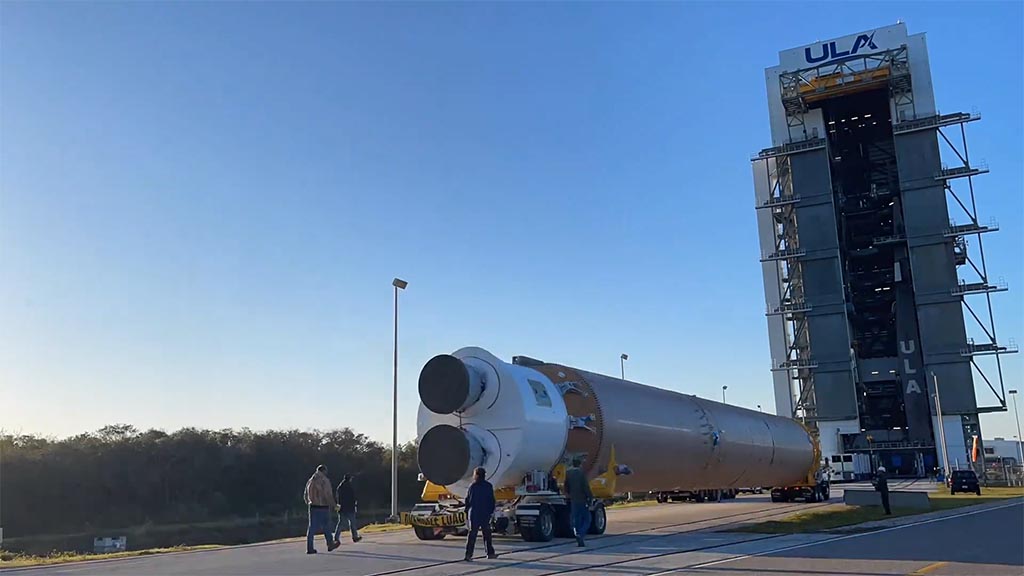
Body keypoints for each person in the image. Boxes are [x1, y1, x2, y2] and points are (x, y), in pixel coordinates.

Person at [304, 464, 339, 554]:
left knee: (312, 527)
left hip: (312, 506)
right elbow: (328, 494)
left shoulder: (310, 480)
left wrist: (308, 502)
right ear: (324, 471)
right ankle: (330, 543)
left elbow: (305, 494)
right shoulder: (324, 480)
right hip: (323, 506)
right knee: (326, 525)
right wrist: (333, 505)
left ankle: (309, 547)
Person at [464, 466, 497, 561]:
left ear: (476, 475)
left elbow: (468, 500)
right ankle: (490, 553)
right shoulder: (488, 486)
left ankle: (468, 555)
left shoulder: (472, 486)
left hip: (474, 513)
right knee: (487, 534)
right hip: (485, 513)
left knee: (472, 535)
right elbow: (491, 501)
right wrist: (491, 512)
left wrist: (466, 512)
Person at [563, 456, 593, 547]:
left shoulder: (568, 473)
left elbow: (566, 485)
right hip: (582, 499)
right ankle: (581, 534)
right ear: (580, 464)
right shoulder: (581, 473)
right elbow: (585, 487)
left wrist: (568, 494)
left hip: (573, 499)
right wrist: (590, 497)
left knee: (576, 519)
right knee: (587, 519)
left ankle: (576, 533)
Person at [334, 474, 362, 544]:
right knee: (352, 523)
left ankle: (336, 537)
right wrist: (355, 504)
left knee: (340, 523)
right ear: (349, 479)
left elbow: (338, 497)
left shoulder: (340, 487)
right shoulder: (350, 487)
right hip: (350, 508)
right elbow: (353, 497)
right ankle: (355, 537)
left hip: (342, 508)